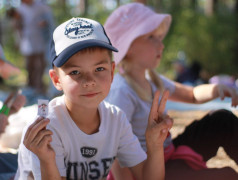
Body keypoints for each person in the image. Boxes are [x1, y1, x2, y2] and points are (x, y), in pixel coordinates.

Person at [15, 17, 173, 180]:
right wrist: (47, 160)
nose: (90, 81)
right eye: (75, 72)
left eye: (99, 68)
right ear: (56, 79)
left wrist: (154, 145)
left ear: (112, 72)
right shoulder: (47, 126)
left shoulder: (116, 119)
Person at [104, 2, 238, 180]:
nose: (161, 45)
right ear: (127, 47)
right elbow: (115, 148)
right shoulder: (122, 91)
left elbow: (191, 95)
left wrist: (214, 89)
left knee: (222, 120)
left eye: (160, 37)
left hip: (170, 156)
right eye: (152, 37)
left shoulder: (152, 79)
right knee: (226, 175)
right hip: (149, 172)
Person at [15, 0, 54, 94]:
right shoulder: (20, 9)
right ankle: (30, 86)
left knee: (40, 65)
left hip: (40, 39)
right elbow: (17, 25)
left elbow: (50, 21)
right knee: (29, 65)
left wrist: (45, 23)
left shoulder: (41, 6)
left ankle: (39, 86)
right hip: (27, 40)